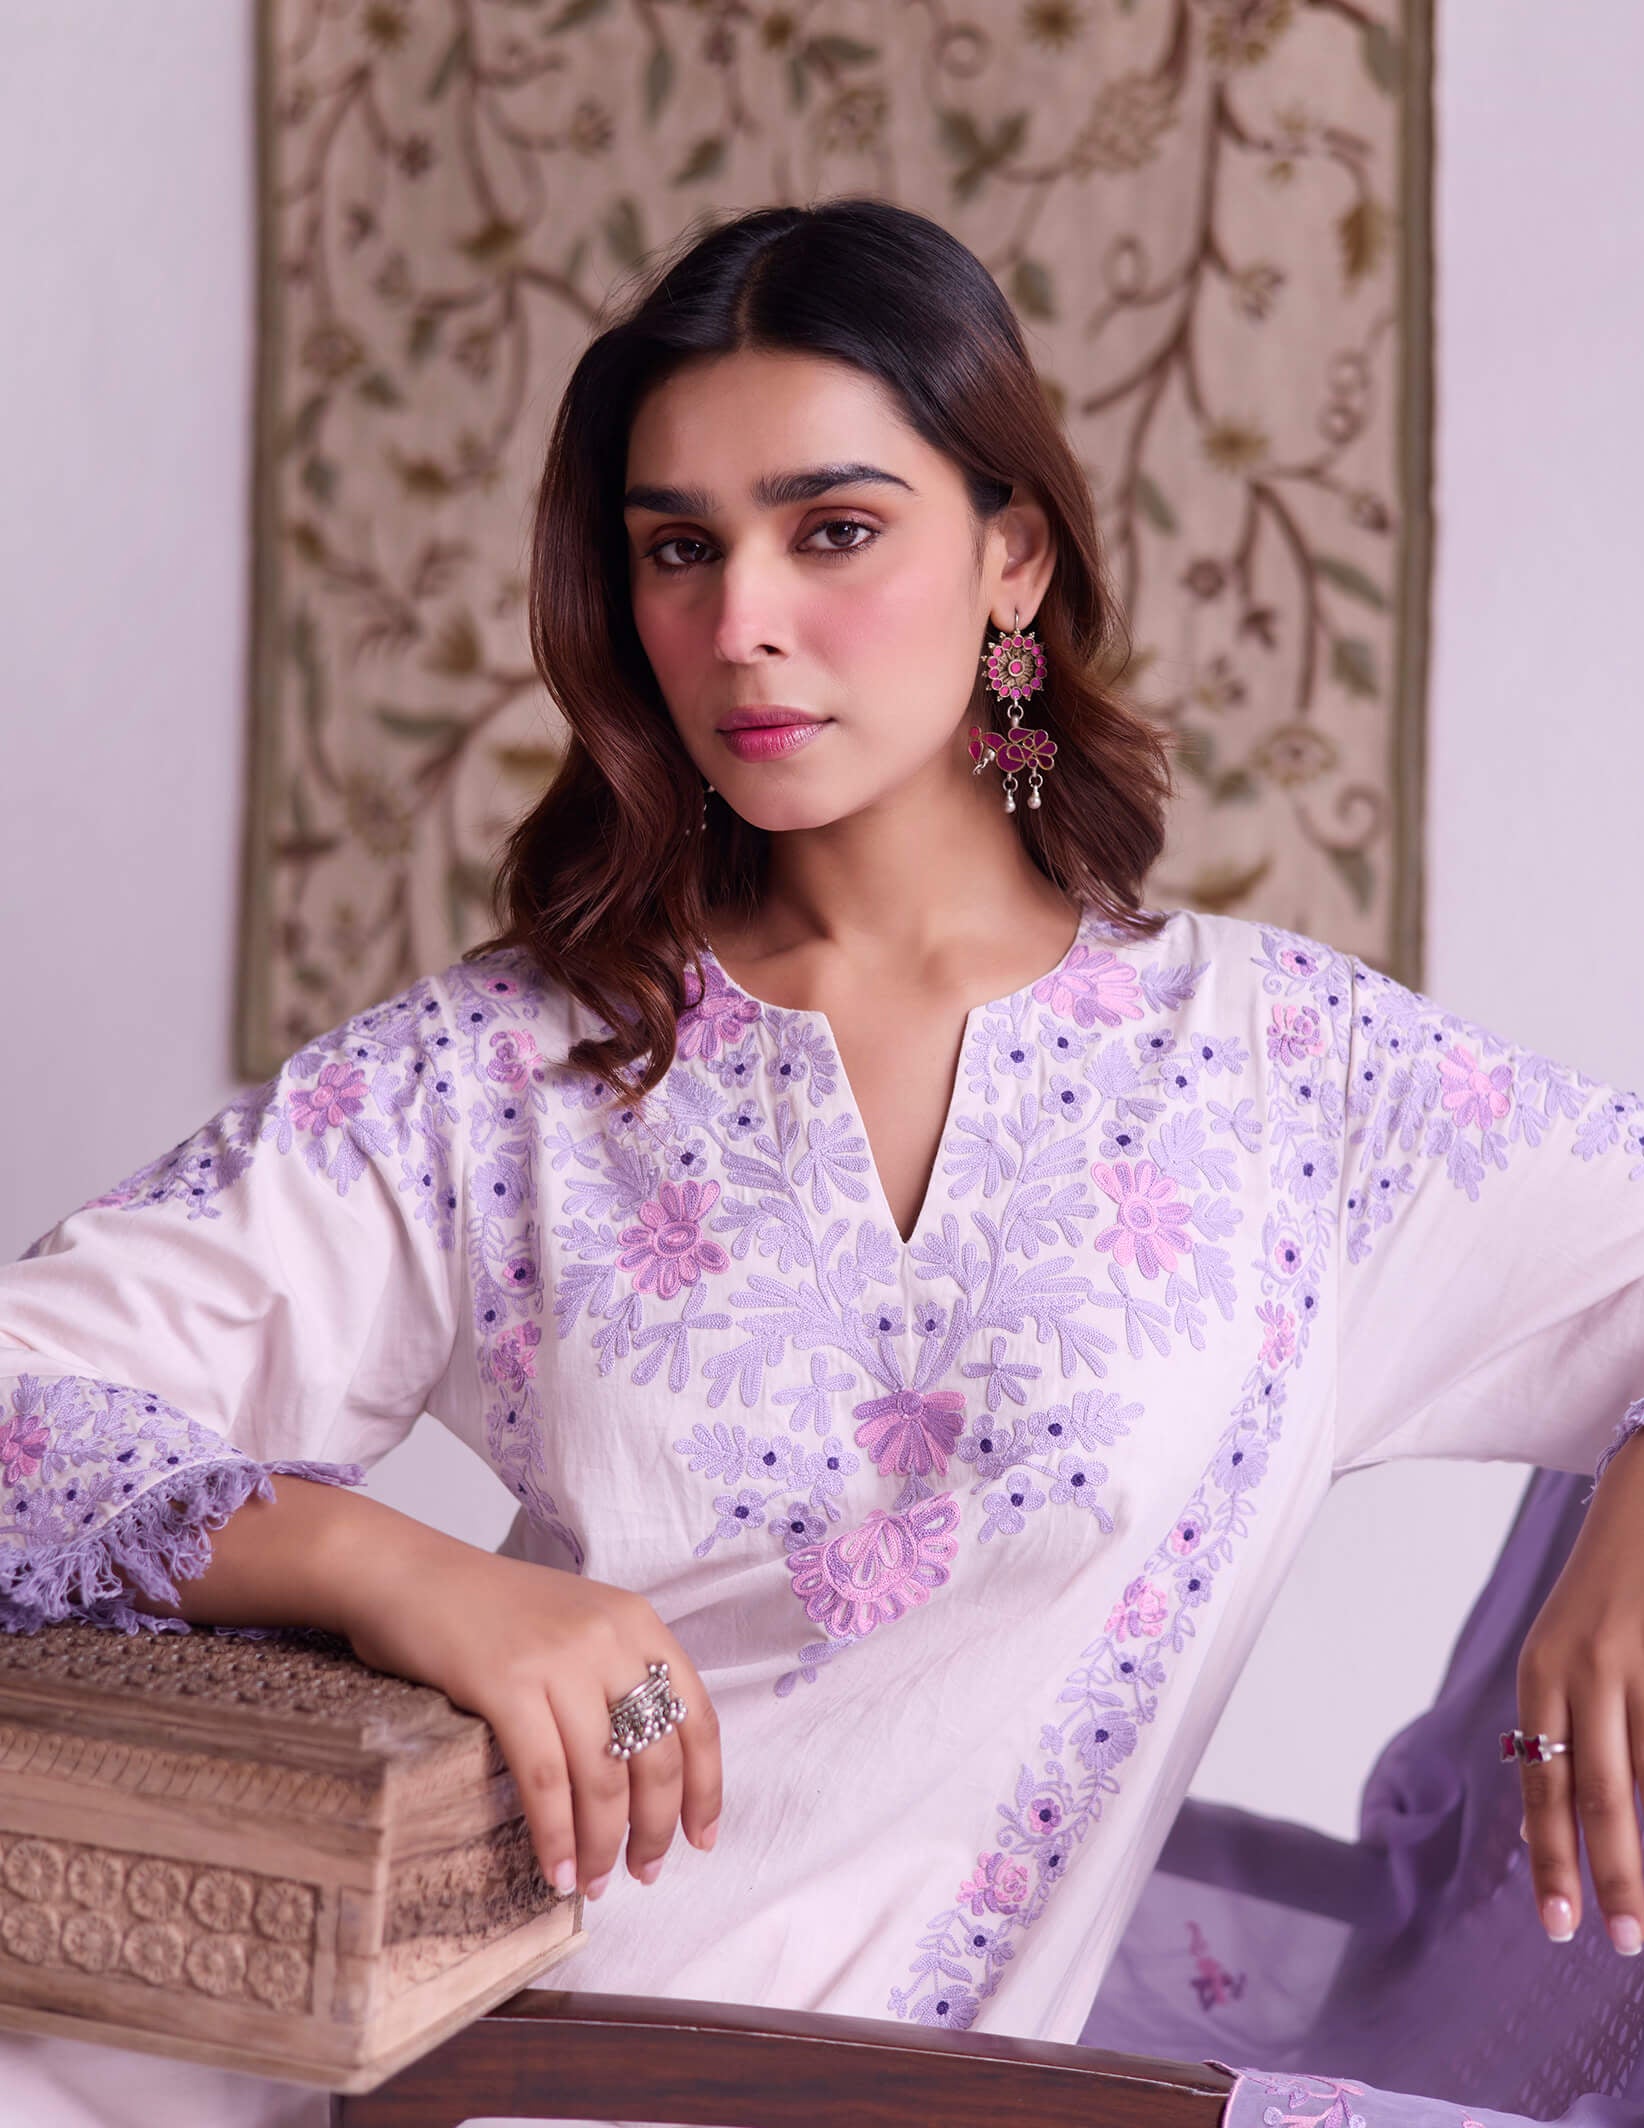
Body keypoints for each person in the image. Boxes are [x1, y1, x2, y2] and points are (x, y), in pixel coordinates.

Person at [4, 197, 1644, 2128]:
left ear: (1011, 556)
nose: (739, 623)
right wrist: (397, 1568)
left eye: (834, 530)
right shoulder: (508, 1074)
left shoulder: (1289, 1085)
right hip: (370, 2062)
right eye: (677, 550)